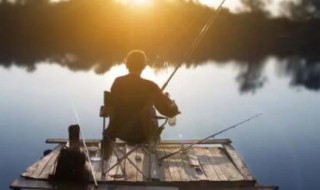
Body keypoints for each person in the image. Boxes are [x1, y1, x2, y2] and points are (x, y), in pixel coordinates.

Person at [102, 50, 179, 159]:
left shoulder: (117, 83)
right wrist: (167, 98)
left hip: (118, 131)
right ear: (144, 66)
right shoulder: (151, 87)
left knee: (147, 109)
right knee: (151, 110)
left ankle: (105, 161)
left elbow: (112, 107)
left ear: (127, 64)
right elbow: (170, 112)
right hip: (143, 134)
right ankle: (150, 162)